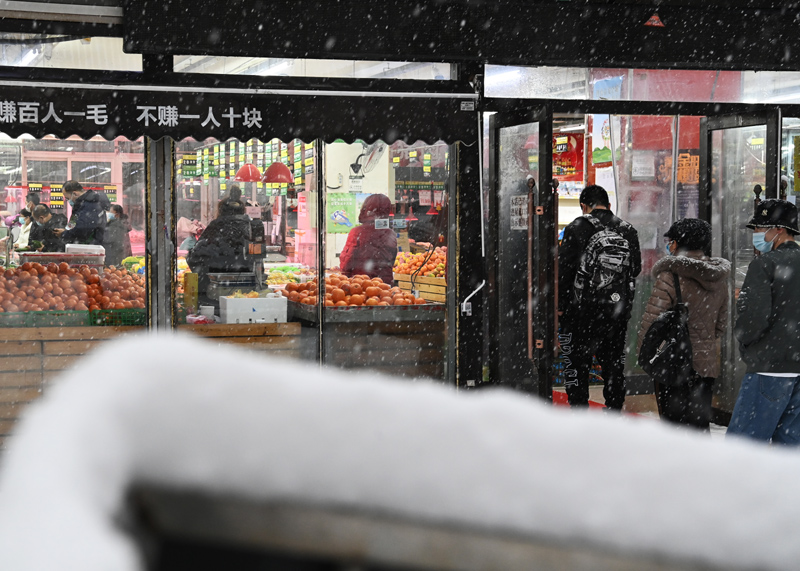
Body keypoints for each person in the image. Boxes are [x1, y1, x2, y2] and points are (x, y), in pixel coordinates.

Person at [637, 219, 730, 429]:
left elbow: (652, 321)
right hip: (705, 365)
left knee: (673, 428)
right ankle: (699, 462)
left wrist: (647, 355)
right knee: (699, 425)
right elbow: (720, 325)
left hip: (673, 363)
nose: (669, 245)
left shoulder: (670, 276)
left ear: (678, 244)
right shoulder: (719, 278)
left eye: (671, 241)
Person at [557, 185, 641, 410]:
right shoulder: (627, 229)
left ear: (583, 206)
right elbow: (636, 269)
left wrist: (561, 306)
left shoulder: (576, 228)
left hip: (581, 312)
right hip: (616, 312)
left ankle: (579, 410)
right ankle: (614, 409)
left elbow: (564, 271)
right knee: (613, 365)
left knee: (577, 365)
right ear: (609, 205)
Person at [727, 199, 800, 444]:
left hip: (770, 367)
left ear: (777, 229)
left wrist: (747, 343)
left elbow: (752, 318)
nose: (757, 235)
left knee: (744, 449)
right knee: (789, 451)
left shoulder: (764, 264)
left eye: (759, 228)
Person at [186, 197, 253, 303]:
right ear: (242, 210)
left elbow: (196, 257)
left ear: (221, 211)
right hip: (249, 292)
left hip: (214, 292)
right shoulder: (250, 227)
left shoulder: (216, 226)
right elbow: (257, 259)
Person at [339, 193, 397, 284]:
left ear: (366, 209)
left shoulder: (357, 232)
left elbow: (347, 261)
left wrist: (343, 279)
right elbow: (391, 260)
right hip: (384, 284)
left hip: (361, 285)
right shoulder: (390, 233)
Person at [52, 180, 106, 246]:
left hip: (89, 247)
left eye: (67, 198)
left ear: (74, 193)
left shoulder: (90, 205)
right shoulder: (82, 205)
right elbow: (75, 225)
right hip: (86, 246)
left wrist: (64, 234)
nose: (68, 201)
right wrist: (66, 231)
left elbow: (82, 230)